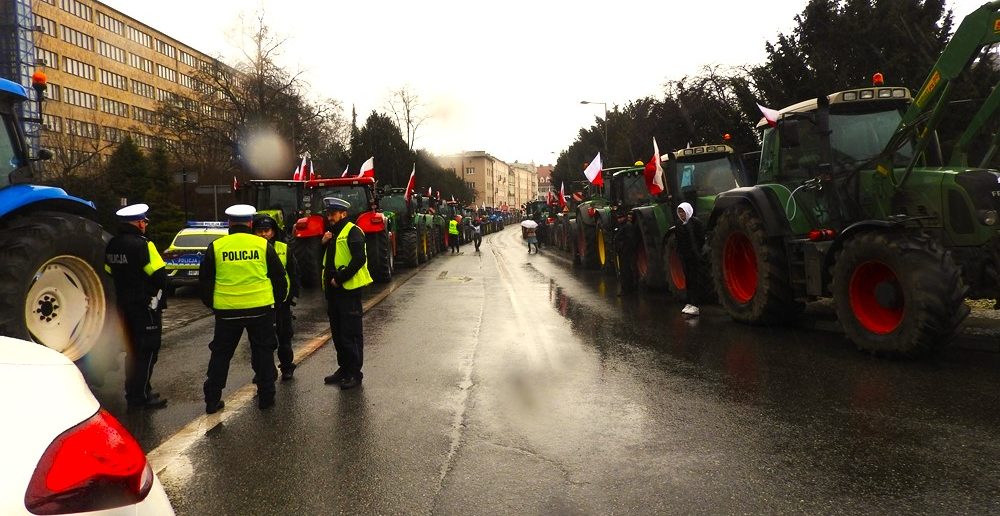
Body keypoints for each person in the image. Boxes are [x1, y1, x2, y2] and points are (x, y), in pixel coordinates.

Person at [200, 204, 287, 413]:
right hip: (260, 310)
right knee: (264, 353)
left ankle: (212, 400)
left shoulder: (217, 246)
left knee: (220, 355)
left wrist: (213, 304)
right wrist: (276, 302)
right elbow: (279, 277)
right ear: (250, 223)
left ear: (230, 223)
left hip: (227, 311)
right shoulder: (262, 245)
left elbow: (204, 281)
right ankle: (266, 397)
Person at [104, 203, 168, 411]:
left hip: (124, 306)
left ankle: (138, 390)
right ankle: (139, 397)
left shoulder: (113, 244)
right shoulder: (143, 245)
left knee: (132, 351)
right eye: (144, 222)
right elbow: (159, 275)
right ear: (139, 223)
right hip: (145, 307)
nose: (145, 225)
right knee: (147, 351)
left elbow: (108, 270)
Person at [320, 197, 373, 390]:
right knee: (338, 333)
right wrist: (323, 243)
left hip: (348, 290)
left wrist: (340, 278)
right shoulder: (332, 234)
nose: (329, 217)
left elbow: (359, 259)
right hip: (333, 292)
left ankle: (354, 373)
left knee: (350, 334)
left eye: (333, 214)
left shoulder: (353, 231)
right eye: (328, 214)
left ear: (343, 214)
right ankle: (343, 369)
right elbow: (326, 260)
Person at [253, 214, 299, 381]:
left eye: (267, 230)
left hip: (282, 302)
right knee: (261, 342)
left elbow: (293, 272)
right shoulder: (252, 248)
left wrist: (291, 295)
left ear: (273, 231)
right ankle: (263, 372)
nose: (264, 234)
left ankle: (287, 367)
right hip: (260, 302)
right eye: (260, 231)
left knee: (284, 337)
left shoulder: (283, 247)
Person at [675, 202, 709, 316]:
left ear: (688, 211)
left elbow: (701, 239)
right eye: (679, 212)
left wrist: (697, 252)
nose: (681, 214)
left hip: (695, 257)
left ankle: (696, 305)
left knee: (695, 280)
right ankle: (689, 302)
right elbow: (678, 241)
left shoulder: (696, 223)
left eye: (683, 212)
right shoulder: (679, 225)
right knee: (688, 279)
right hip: (685, 257)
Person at [614, 209, 639, 295]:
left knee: (626, 271)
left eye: (620, 218)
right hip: (623, 252)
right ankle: (628, 288)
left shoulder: (627, 226)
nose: (619, 219)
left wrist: (623, 248)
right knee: (625, 271)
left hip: (625, 253)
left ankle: (627, 289)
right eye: (618, 218)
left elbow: (629, 240)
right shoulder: (622, 226)